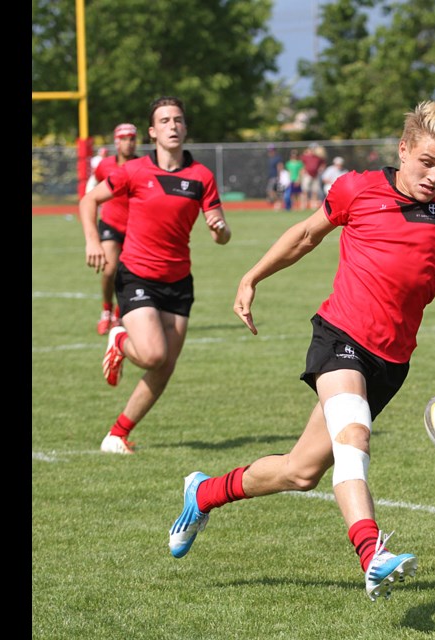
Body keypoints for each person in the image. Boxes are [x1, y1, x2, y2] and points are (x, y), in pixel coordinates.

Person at [165, 100, 435, 601]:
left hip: (391, 362)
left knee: (302, 470)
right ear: (403, 150)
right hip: (340, 337)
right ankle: (372, 554)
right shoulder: (357, 188)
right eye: (425, 162)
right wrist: (251, 277)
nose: (434, 175)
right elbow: (307, 234)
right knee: (355, 437)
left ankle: (202, 493)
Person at [79, 96, 232, 455]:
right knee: (151, 355)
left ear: (185, 127)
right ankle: (119, 339)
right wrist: (93, 241)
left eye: (178, 120)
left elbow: (222, 235)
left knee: (165, 367)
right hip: (137, 276)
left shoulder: (201, 177)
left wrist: (219, 227)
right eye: (164, 121)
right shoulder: (135, 171)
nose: (173, 126)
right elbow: (89, 201)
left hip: (179, 282)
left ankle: (116, 435)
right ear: (152, 132)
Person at [85, 124, 140, 335]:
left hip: (136, 226)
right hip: (110, 222)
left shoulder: (142, 165)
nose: (129, 142)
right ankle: (106, 311)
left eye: (132, 138)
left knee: (127, 274)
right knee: (109, 270)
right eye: (124, 138)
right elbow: (94, 188)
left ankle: (119, 314)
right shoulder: (105, 166)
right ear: (117, 142)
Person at [301, 144, 327, 210]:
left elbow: (323, 163)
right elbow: (301, 163)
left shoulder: (318, 157)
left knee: (314, 191)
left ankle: (313, 205)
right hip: (307, 175)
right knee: (305, 191)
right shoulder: (306, 156)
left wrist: (321, 168)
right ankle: (304, 205)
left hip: (315, 175)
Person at [264, 144, 283, 210]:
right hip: (271, 177)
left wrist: (279, 177)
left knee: (271, 190)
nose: (270, 152)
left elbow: (280, 167)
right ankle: (277, 202)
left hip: (275, 177)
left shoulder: (277, 158)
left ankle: (277, 202)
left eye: (271, 150)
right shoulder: (270, 159)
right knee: (271, 191)